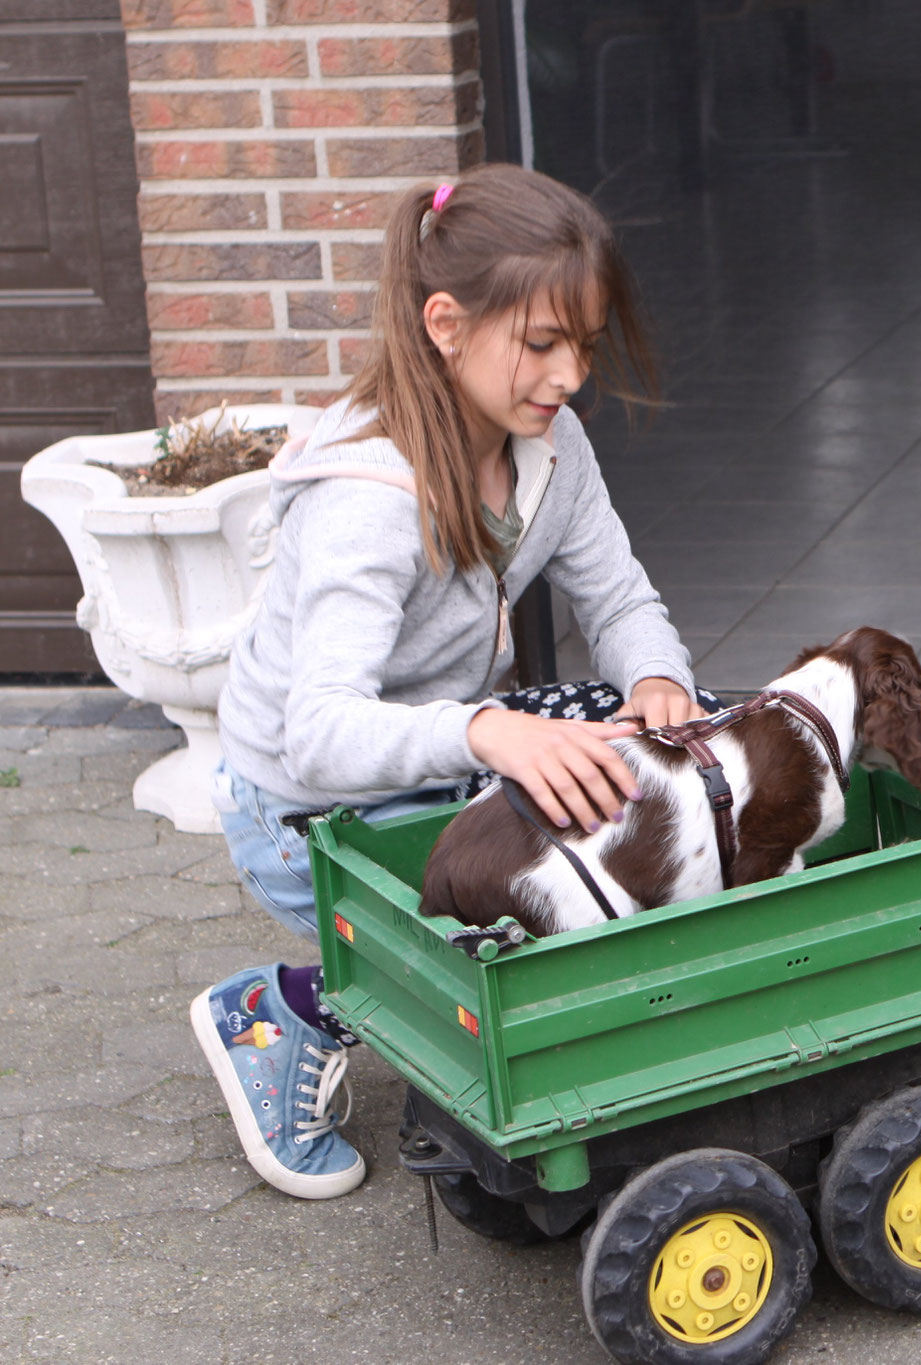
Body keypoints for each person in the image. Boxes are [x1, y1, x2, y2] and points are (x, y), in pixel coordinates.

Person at [189, 165, 706, 1199]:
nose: (567, 378)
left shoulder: (548, 447)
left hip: (433, 749)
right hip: (301, 806)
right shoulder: (369, 501)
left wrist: (656, 678)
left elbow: (617, 599)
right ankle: (284, 1008)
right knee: (523, 917)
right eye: (542, 344)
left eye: (584, 348)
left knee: (628, 761)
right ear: (445, 323)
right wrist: (485, 734)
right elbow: (319, 736)